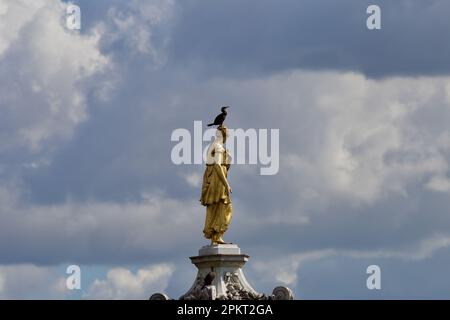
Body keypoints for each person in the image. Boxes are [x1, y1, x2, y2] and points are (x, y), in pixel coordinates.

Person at [200, 126, 232, 245]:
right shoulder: (218, 147)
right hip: (217, 180)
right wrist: (226, 184)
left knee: (216, 206)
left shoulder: (215, 146)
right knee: (224, 206)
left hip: (213, 178)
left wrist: (228, 159)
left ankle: (215, 236)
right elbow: (218, 166)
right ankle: (216, 234)